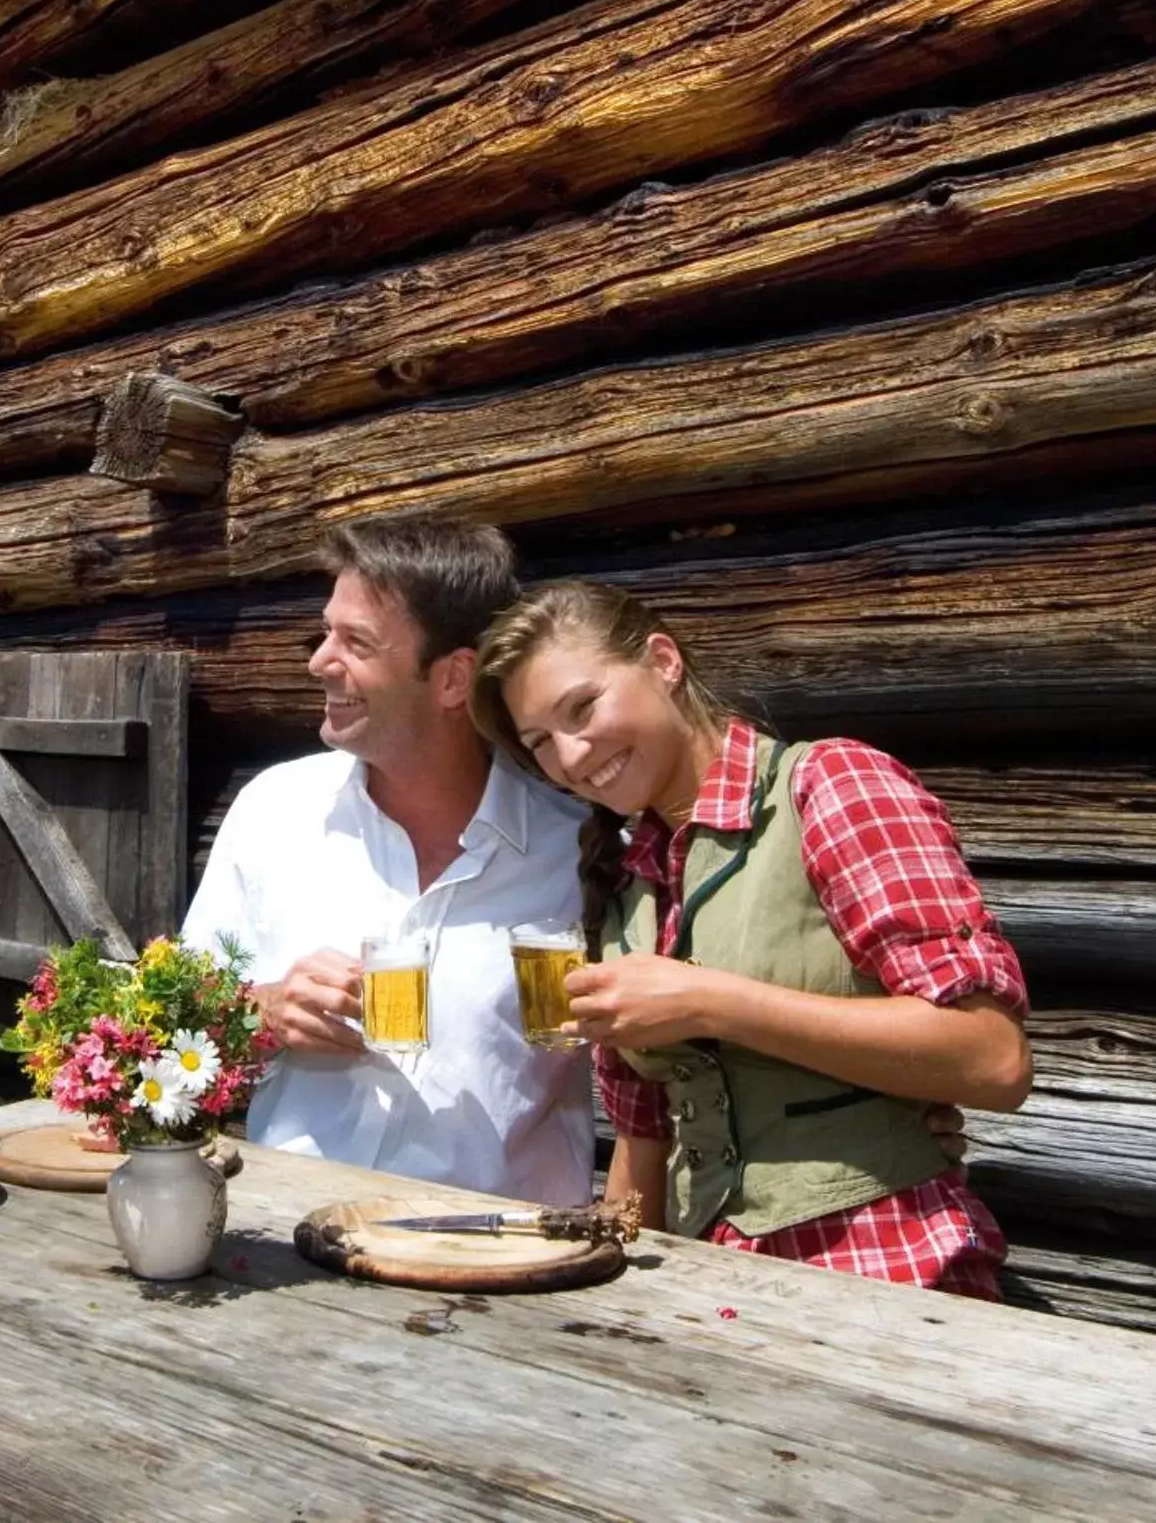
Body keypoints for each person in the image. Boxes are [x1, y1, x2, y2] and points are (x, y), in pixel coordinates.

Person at [471, 580, 1030, 1297]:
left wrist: (711, 1001)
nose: (573, 758)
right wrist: (607, 1286)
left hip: (883, 1270)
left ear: (664, 661)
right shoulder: (624, 876)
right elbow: (645, 1139)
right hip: (714, 1285)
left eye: (583, 707)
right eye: (541, 742)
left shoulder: (831, 786)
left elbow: (993, 1057)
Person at [179, 517, 597, 1205]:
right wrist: (265, 1012)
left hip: (500, 1262)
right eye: (326, 631)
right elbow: (171, 1022)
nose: (319, 660)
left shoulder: (574, 849)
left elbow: (648, 1073)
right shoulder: (274, 811)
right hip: (289, 1239)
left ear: (454, 679)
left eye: (356, 642)